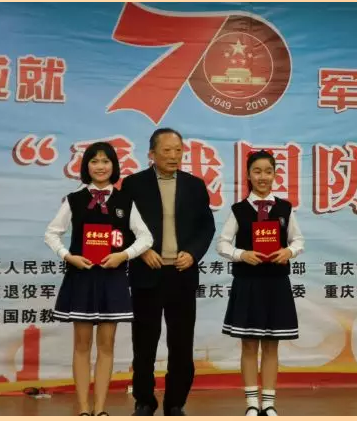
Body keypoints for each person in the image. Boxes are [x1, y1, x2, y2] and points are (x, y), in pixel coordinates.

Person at [44, 141, 153, 416]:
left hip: (112, 279)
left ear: (114, 166)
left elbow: (146, 238)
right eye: (94, 161)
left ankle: (101, 409)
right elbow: (51, 233)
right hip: (81, 278)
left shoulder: (125, 201)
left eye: (106, 161)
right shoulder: (74, 199)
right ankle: (83, 410)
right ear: (86, 166)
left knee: (106, 346)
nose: (100, 166)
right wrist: (68, 256)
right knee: (82, 346)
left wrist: (123, 255)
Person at [121, 128, 215, 416]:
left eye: (178, 150)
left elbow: (206, 227)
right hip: (147, 272)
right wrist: (142, 251)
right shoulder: (134, 185)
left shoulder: (194, 185)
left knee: (181, 343)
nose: (174, 156)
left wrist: (193, 253)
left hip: (182, 274)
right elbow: (121, 226)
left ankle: (175, 402)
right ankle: (144, 400)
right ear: (152, 154)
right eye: (167, 150)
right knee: (144, 342)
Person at [216, 150, 304, 416]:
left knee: (271, 344)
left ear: (275, 175)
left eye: (268, 171)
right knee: (249, 344)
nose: (263, 177)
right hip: (248, 283)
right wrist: (241, 254)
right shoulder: (239, 210)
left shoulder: (284, 208)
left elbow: (298, 240)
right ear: (248, 175)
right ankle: (252, 403)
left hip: (276, 283)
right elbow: (222, 244)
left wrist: (289, 251)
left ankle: (269, 403)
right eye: (257, 171)